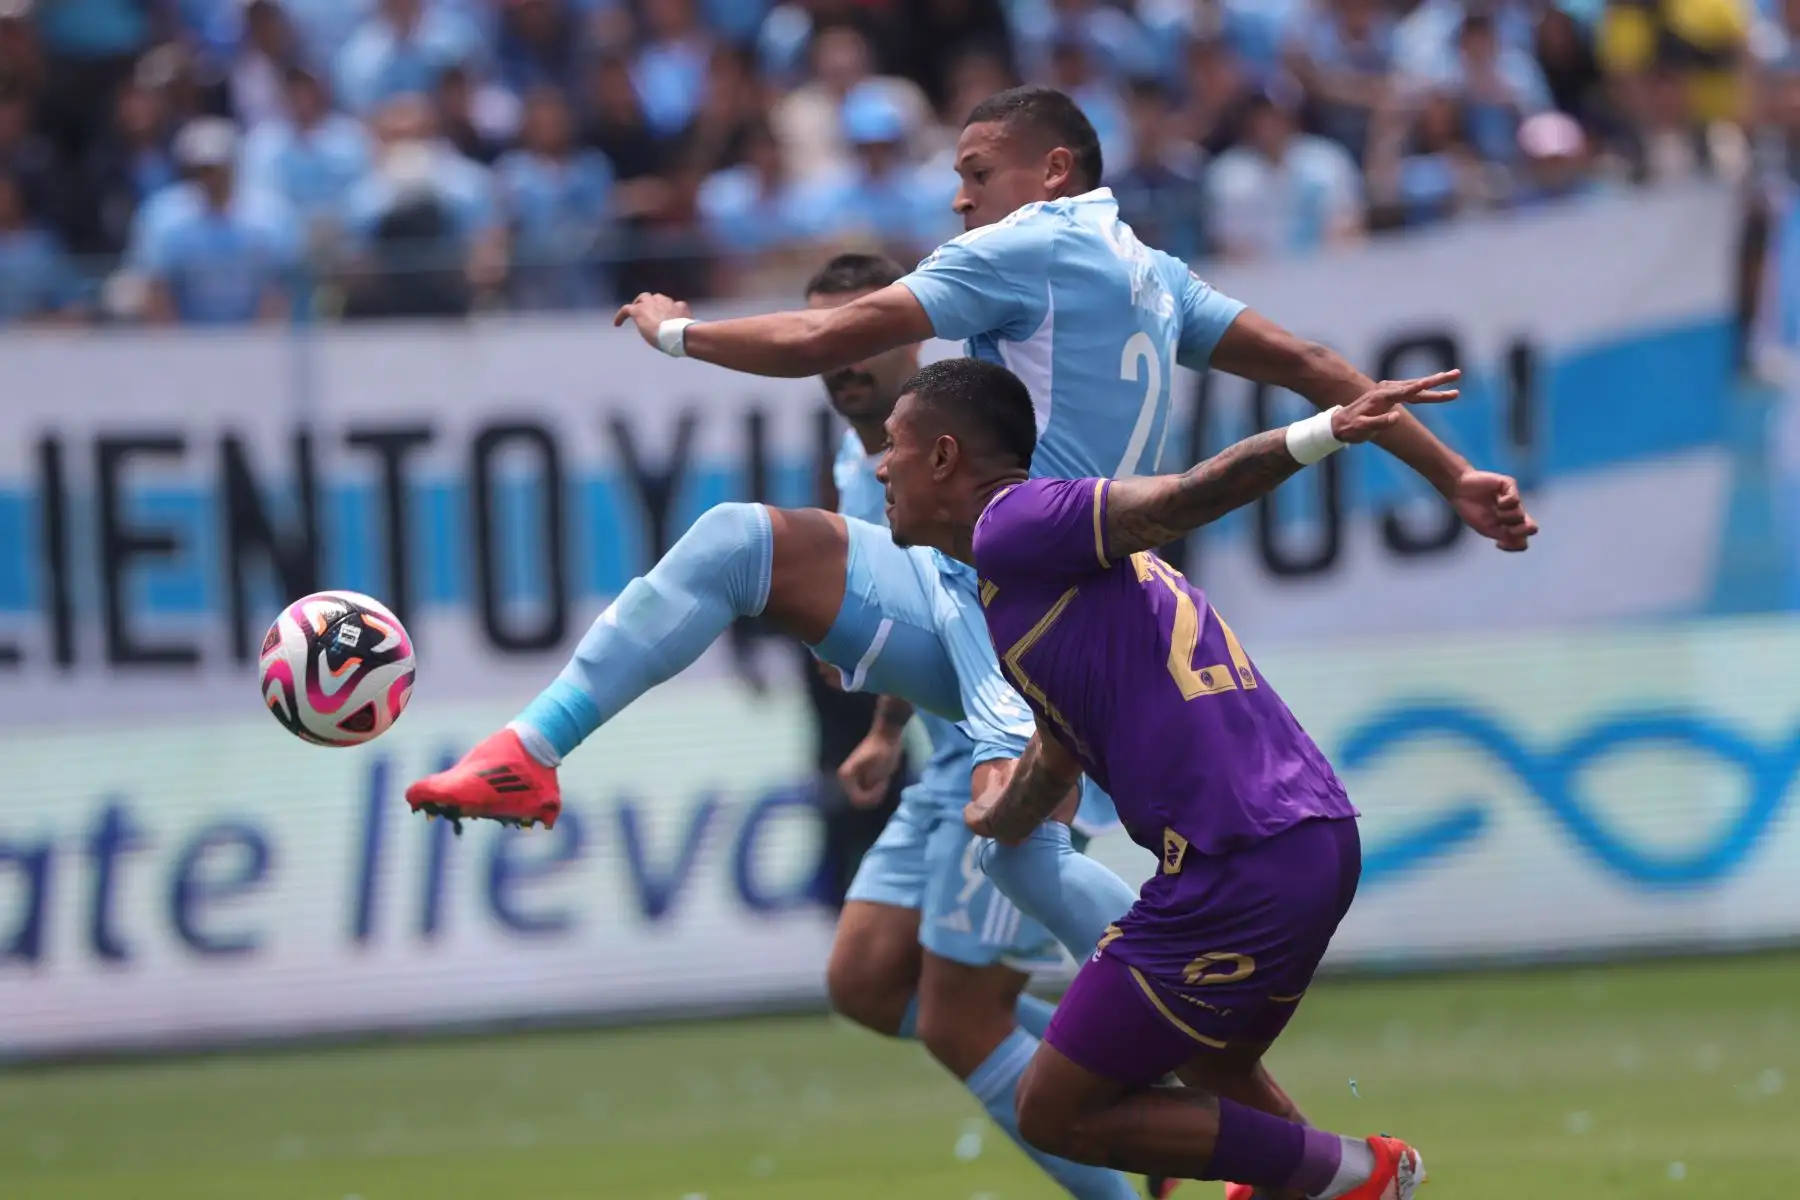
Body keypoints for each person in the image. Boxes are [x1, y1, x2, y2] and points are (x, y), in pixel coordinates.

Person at [406, 83, 1535, 1190]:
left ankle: (531, 751)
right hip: (1073, 608)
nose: (956, 200)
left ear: (1053, 174)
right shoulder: (1154, 276)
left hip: (1017, 587)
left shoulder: (1029, 249)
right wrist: (1454, 478)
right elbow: (1315, 367)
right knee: (992, 871)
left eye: (973, 171)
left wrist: (676, 331)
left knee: (740, 550)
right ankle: (1288, 1147)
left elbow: (825, 334)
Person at [878, 355, 1455, 1197]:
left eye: (893, 445)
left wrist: (1322, 430)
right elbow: (1060, 752)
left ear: (943, 456)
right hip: (1308, 837)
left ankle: (1366, 1174)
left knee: (1056, 1111)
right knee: (1212, 1070)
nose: (878, 464)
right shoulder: (1025, 584)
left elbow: (1181, 498)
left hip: (1240, 857)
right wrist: (1001, 819)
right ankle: (1318, 1181)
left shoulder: (1015, 522)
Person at [802, 251, 1139, 1200]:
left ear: (911, 332)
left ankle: (1143, 1139)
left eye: (857, 336)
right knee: (865, 982)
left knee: (962, 1022)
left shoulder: (969, 434)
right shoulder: (857, 457)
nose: (841, 360)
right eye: (828, 341)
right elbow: (913, 601)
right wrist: (882, 725)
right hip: (942, 759)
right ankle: (1129, 1088)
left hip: (1009, 759)